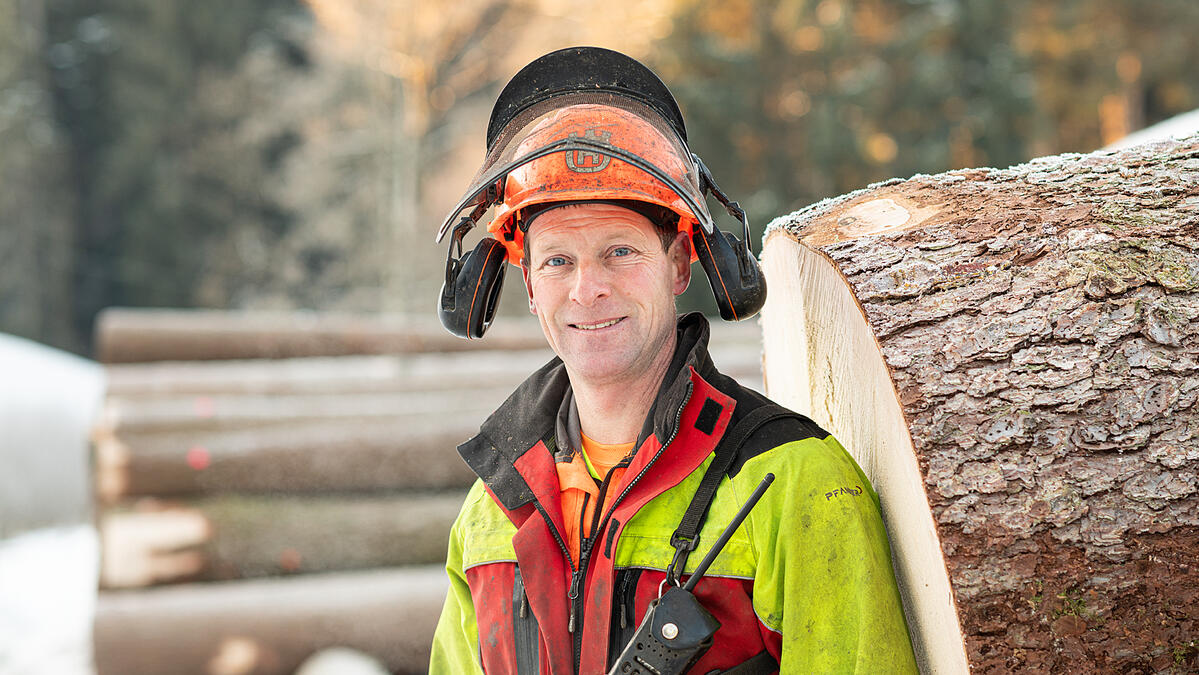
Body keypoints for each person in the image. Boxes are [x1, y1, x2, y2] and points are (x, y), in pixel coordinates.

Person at [429, 46, 917, 674]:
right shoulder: (492, 511)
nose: (587, 289)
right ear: (527, 286)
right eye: (557, 261)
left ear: (681, 264)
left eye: (620, 252)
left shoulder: (794, 485)